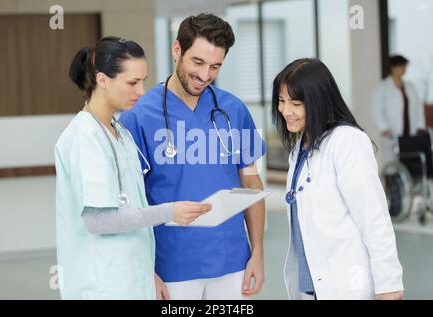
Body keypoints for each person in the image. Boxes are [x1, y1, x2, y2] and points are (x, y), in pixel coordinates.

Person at [119, 13, 266, 300]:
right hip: (171, 265)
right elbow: (130, 199)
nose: (204, 75)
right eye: (197, 62)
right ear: (177, 50)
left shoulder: (234, 110)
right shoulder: (138, 116)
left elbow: (251, 182)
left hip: (231, 260)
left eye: (215, 66)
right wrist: (146, 269)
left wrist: (258, 252)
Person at [54, 36, 211, 299]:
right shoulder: (84, 137)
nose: (141, 91)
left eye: (144, 80)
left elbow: (131, 209)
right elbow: (99, 220)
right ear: (102, 79)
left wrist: (149, 273)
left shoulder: (121, 133)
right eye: (132, 82)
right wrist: (169, 212)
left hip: (130, 281)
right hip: (101, 285)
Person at [271, 58, 404, 300]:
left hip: (346, 283)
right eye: (281, 100)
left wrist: (389, 284)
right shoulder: (300, 146)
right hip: (312, 283)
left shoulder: (346, 142)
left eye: (295, 102)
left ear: (317, 101)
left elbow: (373, 217)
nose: (285, 110)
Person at [372, 55, 427, 164]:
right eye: (401, 66)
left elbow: (418, 108)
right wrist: (384, 129)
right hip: (392, 135)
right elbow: (376, 110)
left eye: (405, 66)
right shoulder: (383, 87)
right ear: (393, 67)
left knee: (411, 164)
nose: (404, 69)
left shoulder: (411, 87)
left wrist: (420, 127)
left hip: (410, 135)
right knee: (394, 167)